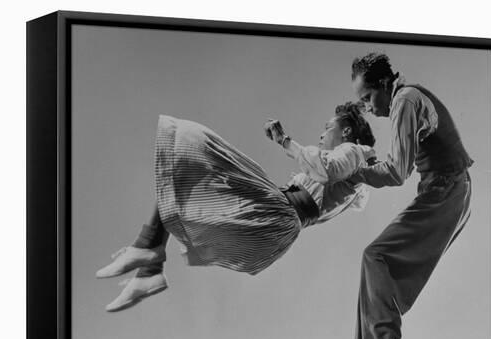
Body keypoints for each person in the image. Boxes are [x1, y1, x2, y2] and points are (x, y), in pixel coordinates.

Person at [97, 103, 377, 312]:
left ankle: (147, 252)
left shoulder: (351, 151)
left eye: (328, 128)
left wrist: (284, 140)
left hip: (279, 211)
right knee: (185, 180)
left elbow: (325, 170)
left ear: (347, 132)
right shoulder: (356, 177)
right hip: (277, 226)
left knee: (192, 148)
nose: (322, 133)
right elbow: (351, 192)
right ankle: (148, 269)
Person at [328, 53, 474, 339]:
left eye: (367, 97)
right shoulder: (404, 100)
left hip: (448, 189)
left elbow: (395, 172)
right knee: (375, 265)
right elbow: (399, 163)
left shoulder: (405, 100)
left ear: (384, 84)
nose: (367, 106)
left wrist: (353, 173)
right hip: (444, 189)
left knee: (376, 256)